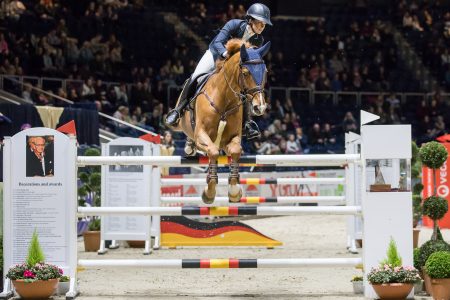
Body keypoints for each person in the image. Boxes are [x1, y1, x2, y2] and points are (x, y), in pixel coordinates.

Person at [165, 3, 272, 140]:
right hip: (216, 55)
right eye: (260, 23)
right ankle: (178, 111)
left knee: (245, 89)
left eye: (264, 25)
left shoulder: (259, 39)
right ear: (250, 20)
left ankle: (247, 124)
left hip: (233, 68)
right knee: (196, 76)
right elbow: (217, 43)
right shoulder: (234, 24)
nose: (262, 28)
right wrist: (225, 54)